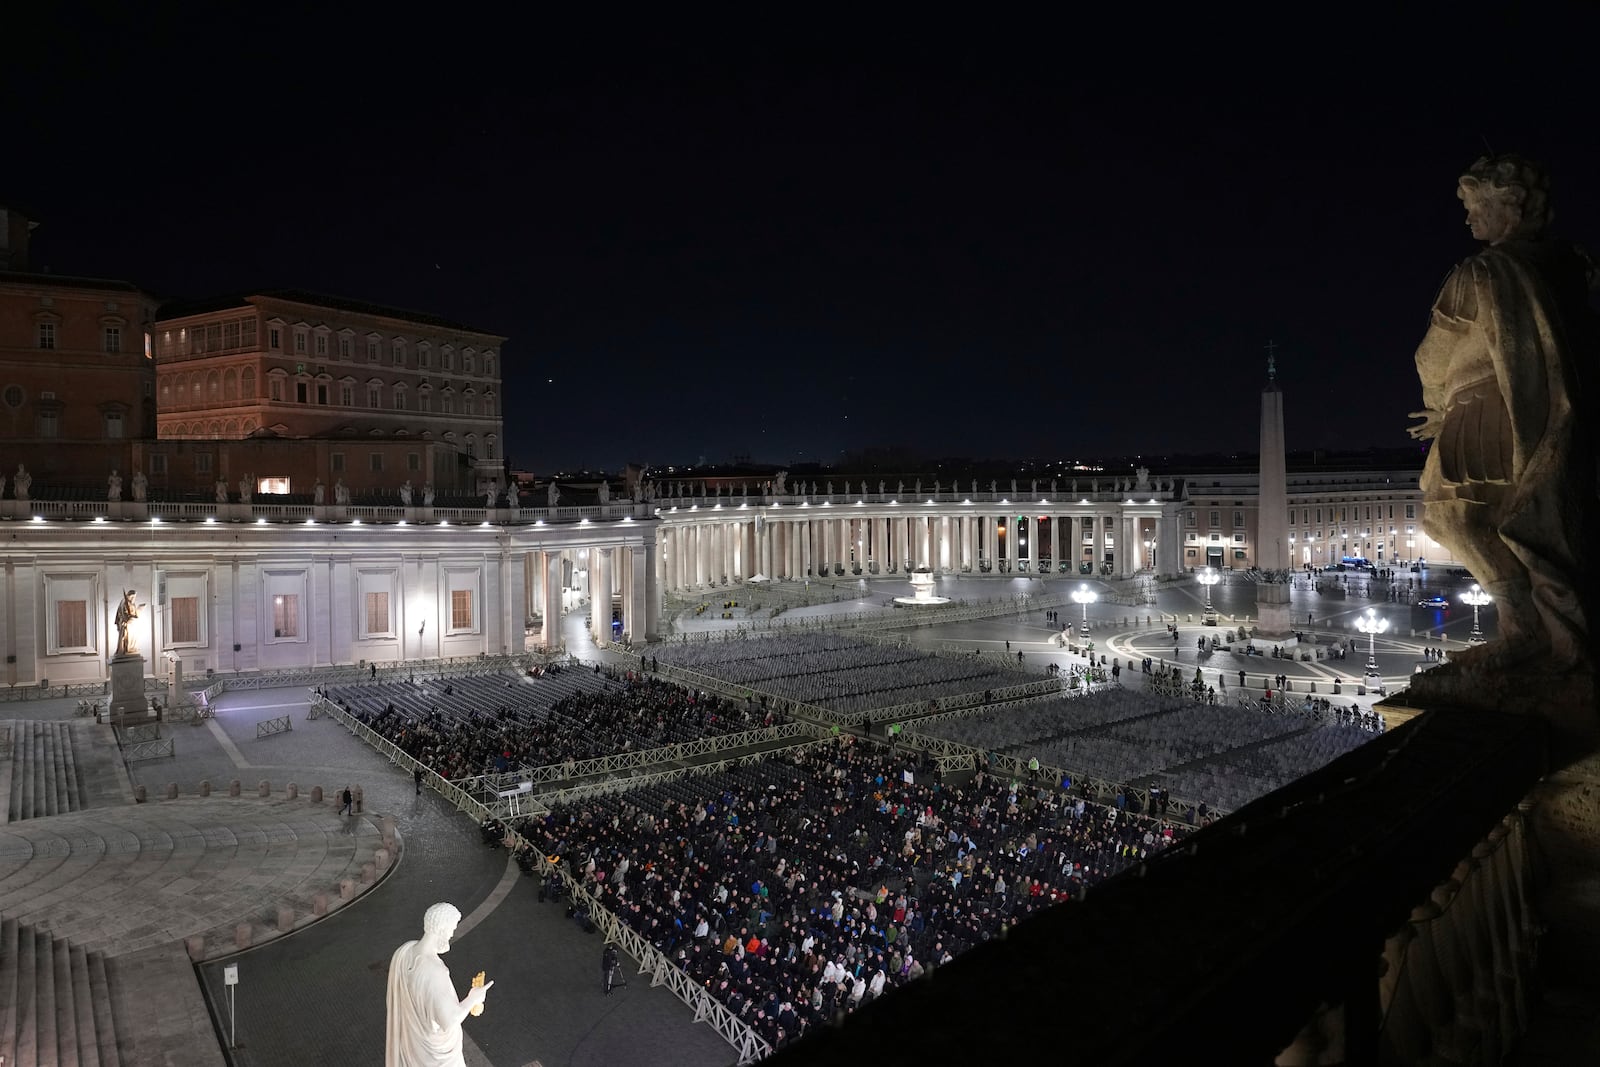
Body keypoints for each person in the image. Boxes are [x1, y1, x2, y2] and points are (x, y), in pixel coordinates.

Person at [1409, 154, 1598, 675]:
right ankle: (1551, 627)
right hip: (1545, 413)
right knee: (1526, 515)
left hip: (1482, 408)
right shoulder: (1568, 265)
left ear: (1508, 207)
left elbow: (1432, 353)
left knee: (1451, 516)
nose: (1468, 219)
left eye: (1475, 206)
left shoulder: (1481, 271)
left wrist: (1434, 405)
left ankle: (1522, 627)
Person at [386, 902, 492, 1067]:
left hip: (415, 1047)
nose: (451, 934)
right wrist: (473, 998)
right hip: (437, 1057)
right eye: (452, 929)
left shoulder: (405, 952)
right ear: (442, 929)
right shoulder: (435, 971)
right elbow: (448, 1020)